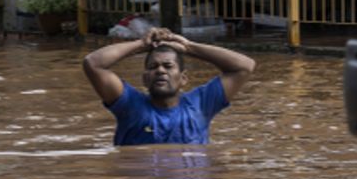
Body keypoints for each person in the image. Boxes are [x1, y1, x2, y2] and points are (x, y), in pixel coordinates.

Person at [83, 27, 256, 146]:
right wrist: (141, 44)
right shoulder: (130, 105)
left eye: (168, 66)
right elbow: (93, 63)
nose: (160, 71)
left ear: (183, 79)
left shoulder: (201, 104)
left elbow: (244, 66)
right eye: (153, 67)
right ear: (145, 79)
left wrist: (189, 47)